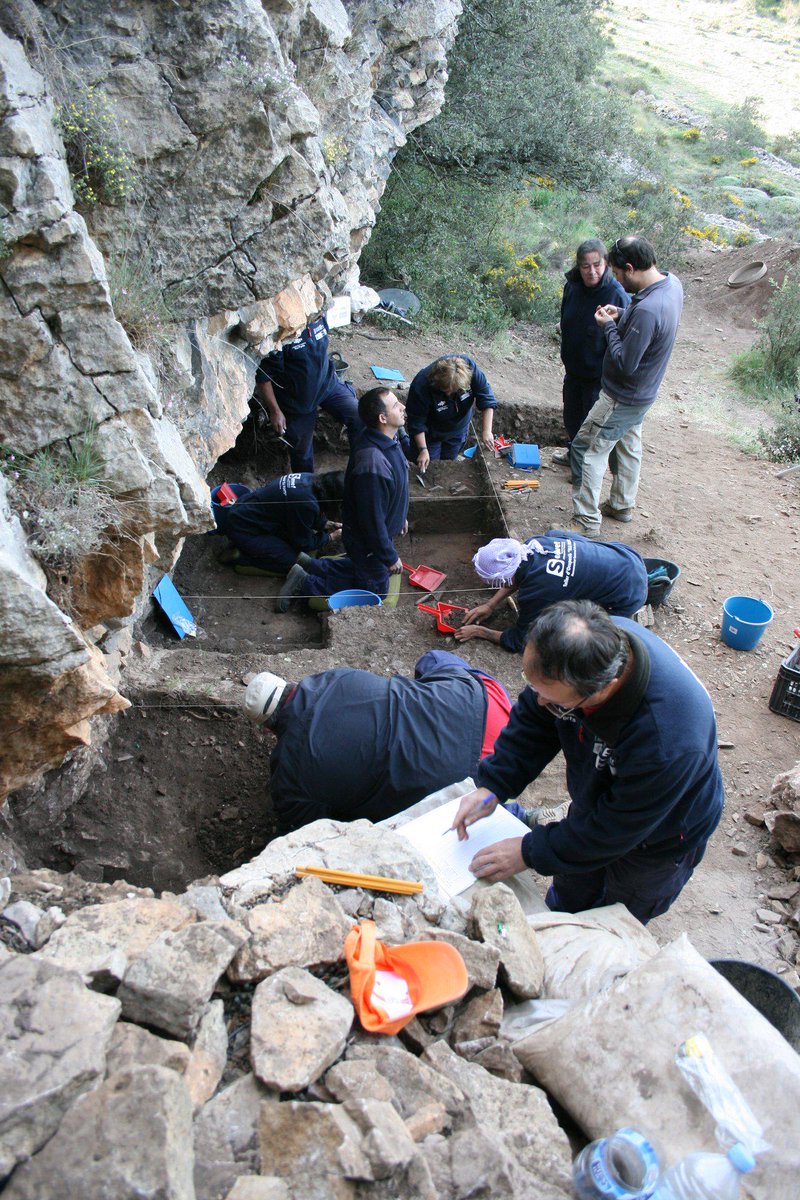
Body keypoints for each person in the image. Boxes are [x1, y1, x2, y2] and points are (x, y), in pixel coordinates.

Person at [451, 600, 724, 924]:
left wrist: (528, 852)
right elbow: (535, 717)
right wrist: (493, 784)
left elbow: (613, 831)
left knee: (614, 917)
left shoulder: (667, 741)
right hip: (599, 796)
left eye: (553, 700)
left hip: (659, 836)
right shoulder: (580, 650)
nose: (540, 700)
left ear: (603, 690)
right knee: (571, 885)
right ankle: (561, 915)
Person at [243, 650, 513, 832]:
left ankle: (511, 812)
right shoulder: (335, 677)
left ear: (268, 729)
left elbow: (309, 833)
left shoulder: (289, 777)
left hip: (464, 785)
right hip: (491, 707)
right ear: (288, 684)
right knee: (434, 659)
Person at [569, 236, 683, 538]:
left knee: (589, 449)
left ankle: (586, 522)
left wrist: (608, 327)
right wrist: (623, 316)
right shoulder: (671, 285)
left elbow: (625, 362)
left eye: (618, 274)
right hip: (644, 394)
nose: (616, 279)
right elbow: (648, 333)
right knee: (630, 445)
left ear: (630, 268)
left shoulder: (647, 309)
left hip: (622, 395)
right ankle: (621, 505)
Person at [276, 387, 409, 609]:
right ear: (382, 418)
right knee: (375, 588)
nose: (402, 406)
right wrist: (389, 556)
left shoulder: (387, 441)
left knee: (363, 568)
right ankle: (306, 583)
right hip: (368, 540)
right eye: (396, 405)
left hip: (371, 540)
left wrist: (400, 515)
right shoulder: (372, 462)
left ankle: (315, 566)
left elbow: (394, 489)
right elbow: (371, 518)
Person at [454, 531, 648, 653]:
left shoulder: (538, 592)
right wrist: (490, 604)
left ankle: (619, 617)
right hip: (628, 557)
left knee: (574, 632)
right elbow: (517, 574)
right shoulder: (536, 544)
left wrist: (481, 631)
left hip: (629, 594)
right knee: (558, 535)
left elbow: (519, 641)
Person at [254, 312, 363, 473]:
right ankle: (307, 489)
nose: (320, 314)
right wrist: (275, 411)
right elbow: (264, 377)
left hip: (328, 385)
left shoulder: (318, 318)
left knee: (359, 416)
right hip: (296, 401)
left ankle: (360, 469)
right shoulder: (285, 334)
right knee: (302, 452)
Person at [553, 239, 630, 463]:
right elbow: (565, 319)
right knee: (571, 418)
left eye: (597, 265)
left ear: (605, 263)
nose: (591, 271)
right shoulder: (572, 286)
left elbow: (625, 337)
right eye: (585, 266)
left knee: (591, 425)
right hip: (573, 370)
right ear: (578, 266)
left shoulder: (616, 294)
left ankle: (582, 468)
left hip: (599, 377)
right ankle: (573, 455)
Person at [212, 470, 345, 575]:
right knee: (295, 561)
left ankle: (247, 547)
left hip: (245, 512)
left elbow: (301, 514)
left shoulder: (310, 479)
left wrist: (326, 524)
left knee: (296, 536)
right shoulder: (306, 504)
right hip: (244, 530)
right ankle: (242, 557)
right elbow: (303, 542)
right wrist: (330, 537)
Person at [406, 355, 497, 471]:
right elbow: (417, 421)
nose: (449, 395)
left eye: (455, 391)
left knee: (448, 467)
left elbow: (486, 398)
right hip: (430, 433)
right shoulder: (421, 385)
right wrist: (423, 449)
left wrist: (487, 431)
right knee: (429, 467)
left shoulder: (471, 370)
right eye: (446, 391)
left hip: (458, 429)